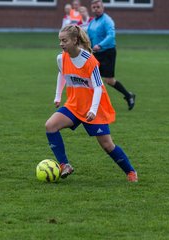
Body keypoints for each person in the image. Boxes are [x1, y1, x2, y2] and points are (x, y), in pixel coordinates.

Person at [45, 25, 138, 182]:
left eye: (64, 40)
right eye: (60, 40)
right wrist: (57, 96)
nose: (61, 44)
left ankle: (130, 172)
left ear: (75, 40)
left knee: (107, 145)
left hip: (94, 108)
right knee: (50, 126)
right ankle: (64, 165)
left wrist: (93, 110)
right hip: (74, 106)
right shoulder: (61, 58)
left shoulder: (89, 60)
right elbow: (62, 74)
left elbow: (98, 87)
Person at [88, 0, 135, 110]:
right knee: (91, 78)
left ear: (103, 7)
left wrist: (100, 45)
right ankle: (95, 104)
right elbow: (89, 36)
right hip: (96, 54)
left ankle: (129, 96)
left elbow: (111, 36)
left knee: (109, 80)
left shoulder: (107, 20)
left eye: (98, 7)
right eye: (94, 7)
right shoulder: (93, 22)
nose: (96, 9)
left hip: (107, 53)